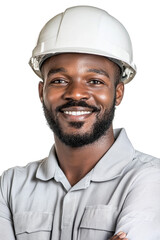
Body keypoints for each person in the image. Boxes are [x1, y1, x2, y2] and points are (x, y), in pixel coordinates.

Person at [0, 5, 160, 240]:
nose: (76, 93)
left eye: (94, 81)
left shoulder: (150, 180)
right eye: (60, 80)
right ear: (42, 91)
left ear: (118, 93)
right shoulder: (11, 186)